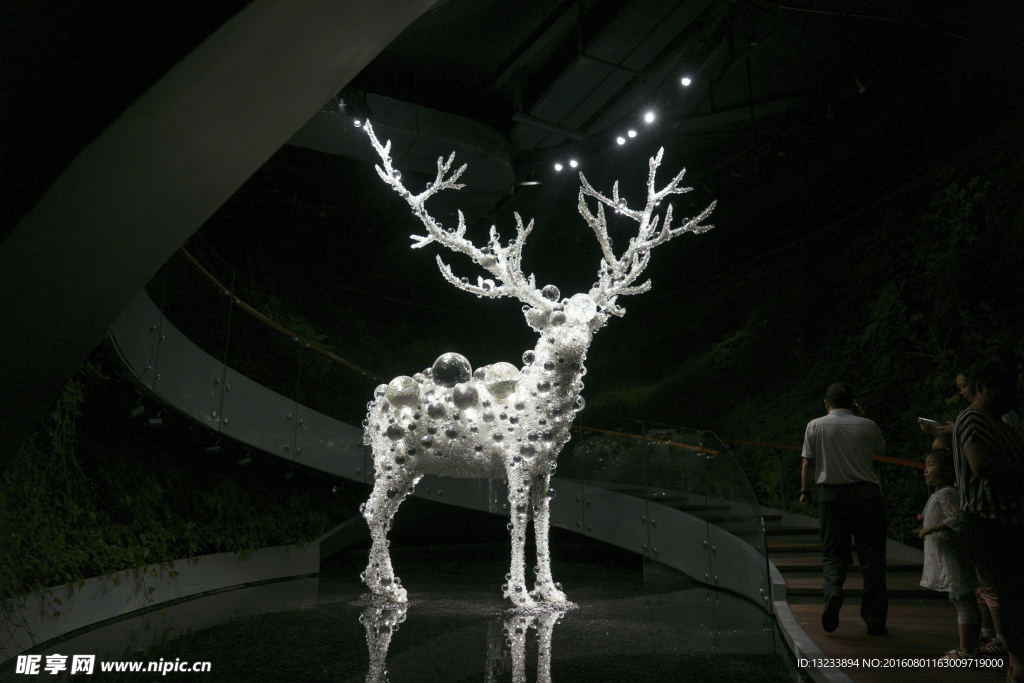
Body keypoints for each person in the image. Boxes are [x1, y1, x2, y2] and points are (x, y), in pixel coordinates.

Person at [952, 358, 1024, 680]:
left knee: (1012, 593)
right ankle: (1017, 662)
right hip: (992, 522)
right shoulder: (973, 419)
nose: (1010, 394)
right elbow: (982, 466)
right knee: (1009, 595)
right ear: (980, 387)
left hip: (1007, 521)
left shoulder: (1001, 422)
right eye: (1002, 388)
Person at [800, 383, 888, 636]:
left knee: (833, 553)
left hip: (831, 496)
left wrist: (806, 492)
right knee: (872, 559)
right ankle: (874, 621)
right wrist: (860, 416)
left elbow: (807, 462)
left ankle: (834, 591)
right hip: (867, 496)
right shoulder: (867, 425)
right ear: (852, 402)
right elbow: (880, 450)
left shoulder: (815, 425)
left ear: (826, 404)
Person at [917, 448, 980, 658]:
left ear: (946, 471)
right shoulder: (942, 493)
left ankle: (967, 651)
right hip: (949, 556)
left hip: (952, 556)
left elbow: (956, 519)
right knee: (960, 599)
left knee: (962, 599)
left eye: (930, 465)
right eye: (925, 465)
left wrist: (930, 529)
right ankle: (968, 647)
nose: (925, 470)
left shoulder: (946, 493)